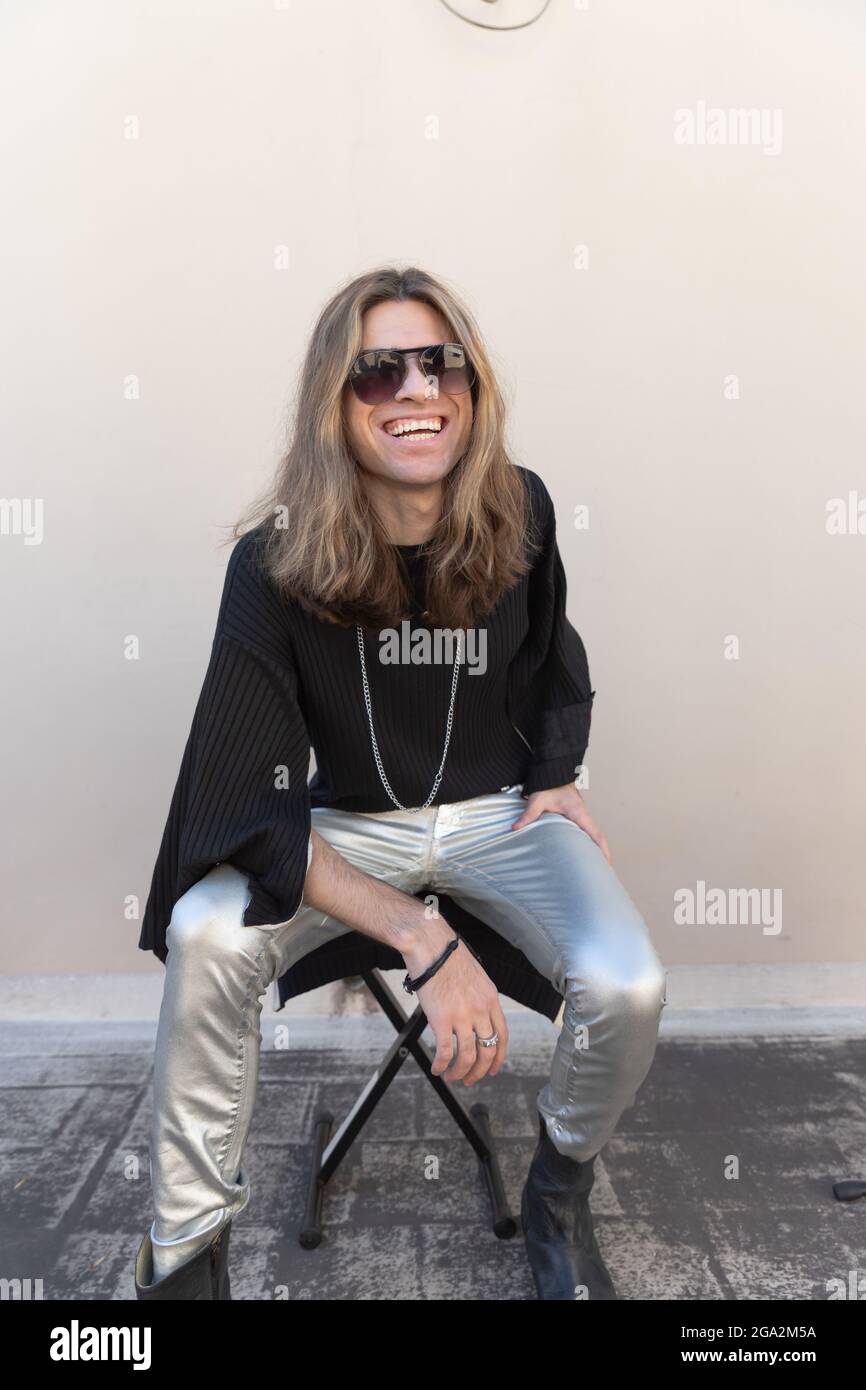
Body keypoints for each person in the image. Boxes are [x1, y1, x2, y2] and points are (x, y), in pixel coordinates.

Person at [133, 264, 667, 1302]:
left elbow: (549, 650)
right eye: (380, 372)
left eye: (441, 364)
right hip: (341, 828)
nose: (418, 391)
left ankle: (557, 1192)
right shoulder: (272, 564)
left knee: (629, 982)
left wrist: (555, 770)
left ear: (471, 389)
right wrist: (425, 938)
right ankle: (184, 1256)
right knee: (205, 932)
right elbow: (241, 798)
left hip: (495, 819)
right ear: (335, 403)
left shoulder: (521, 511)